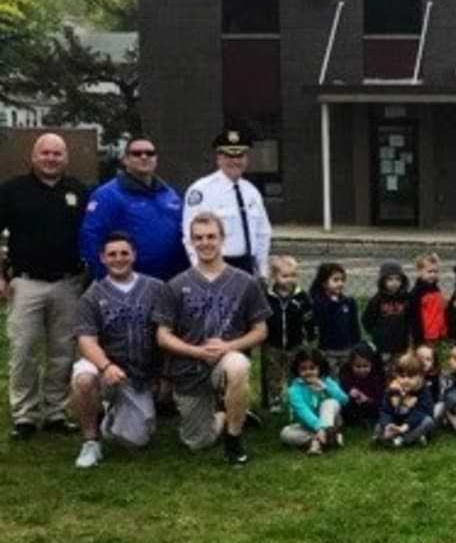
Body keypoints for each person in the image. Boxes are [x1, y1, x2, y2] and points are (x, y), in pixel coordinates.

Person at [155, 212, 269, 464]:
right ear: (191, 241)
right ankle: (225, 414)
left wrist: (229, 346)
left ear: (222, 239)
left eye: (211, 237)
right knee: (197, 442)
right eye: (199, 238)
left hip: (224, 359)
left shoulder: (245, 282)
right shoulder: (175, 285)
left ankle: (234, 439)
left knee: (238, 365)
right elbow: (163, 336)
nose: (205, 243)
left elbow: (261, 330)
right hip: (189, 367)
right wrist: (195, 351)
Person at [0, 133, 89, 438]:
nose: (51, 159)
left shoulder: (78, 191)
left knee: (63, 352)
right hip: (26, 284)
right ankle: (24, 414)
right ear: (34, 156)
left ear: (66, 158)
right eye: (46, 153)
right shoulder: (12, 190)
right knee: (23, 350)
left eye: (57, 154)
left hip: (68, 284)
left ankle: (55, 411)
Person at [70, 232, 168, 468]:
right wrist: (106, 366)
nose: (118, 258)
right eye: (112, 254)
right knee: (84, 379)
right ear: (102, 258)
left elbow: (167, 334)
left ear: (134, 255)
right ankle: (91, 442)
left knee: (135, 441)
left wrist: (165, 375)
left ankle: (110, 413)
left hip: (139, 377)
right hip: (105, 368)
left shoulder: (156, 288)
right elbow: (86, 341)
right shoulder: (92, 296)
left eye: (124, 253)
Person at [78, 135, 187, 282]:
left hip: (170, 281)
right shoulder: (107, 195)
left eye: (150, 153)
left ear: (156, 158)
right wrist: (107, 280)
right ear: (125, 160)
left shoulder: (169, 194)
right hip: (128, 283)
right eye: (136, 153)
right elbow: (90, 239)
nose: (144, 157)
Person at [181, 129, 271, 277]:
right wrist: (201, 272)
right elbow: (189, 235)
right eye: (229, 156)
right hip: (218, 267)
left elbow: (263, 234)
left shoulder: (251, 191)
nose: (235, 161)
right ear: (219, 158)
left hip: (248, 267)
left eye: (240, 156)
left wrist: (262, 271)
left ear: (247, 159)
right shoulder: (201, 190)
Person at [263, 255, 315, 414]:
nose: (289, 279)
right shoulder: (268, 297)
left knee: (295, 372)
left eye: (293, 275)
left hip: (296, 343)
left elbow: (309, 318)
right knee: (273, 373)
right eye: (284, 276)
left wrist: (311, 334)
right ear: (274, 277)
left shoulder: (301, 297)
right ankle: (275, 400)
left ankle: (296, 399)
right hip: (273, 343)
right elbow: (262, 319)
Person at [281, 348, 348, 456]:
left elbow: (344, 400)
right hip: (309, 425)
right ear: (297, 370)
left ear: (320, 368)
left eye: (312, 368)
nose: (308, 372)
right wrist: (319, 427)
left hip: (332, 423)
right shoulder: (294, 390)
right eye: (303, 369)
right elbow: (303, 412)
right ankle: (320, 440)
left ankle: (323, 437)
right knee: (285, 433)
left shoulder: (326, 381)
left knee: (330, 402)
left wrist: (326, 388)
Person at [374, 352, 435, 449]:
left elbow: (421, 412)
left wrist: (404, 428)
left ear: (420, 376)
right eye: (402, 376)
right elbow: (385, 411)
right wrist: (388, 425)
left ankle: (402, 440)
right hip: (396, 423)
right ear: (396, 376)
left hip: (412, 425)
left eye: (410, 377)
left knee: (428, 422)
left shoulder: (423, 391)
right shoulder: (391, 390)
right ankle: (389, 437)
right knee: (378, 426)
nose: (406, 380)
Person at [309, 262, 361, 375]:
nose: (340, 283)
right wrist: (332, 303)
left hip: (346, 349)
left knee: (345, 376)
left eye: (342, 280)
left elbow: (354, 325)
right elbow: (319, 322)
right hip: (327, 350)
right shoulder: (319, 303)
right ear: (324, 283)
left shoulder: (348, 302)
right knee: (330, 377)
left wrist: (356, 345)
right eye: (335, 280)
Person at [361, 261, 413, 361]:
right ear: (383, 281)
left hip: (401, 345)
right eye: (390, 279)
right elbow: (366, 320)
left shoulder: (406, 298)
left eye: (398, 279)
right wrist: (377, 333)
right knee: (383, 369)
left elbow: (410, 319)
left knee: (399, 368)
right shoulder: (377, 300)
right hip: (383, 345)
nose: (394, 283)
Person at [408, 252, 449, 350]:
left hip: (436, 333)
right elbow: (414, 317)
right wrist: (418, 337)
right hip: (424, 335)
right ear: (419, 272)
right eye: (430, 272)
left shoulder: (436, 289)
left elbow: (439, 311)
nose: (433, 275)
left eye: (436, 271)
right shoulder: (417, 293)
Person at [339, 342, 384, 428]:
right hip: (353, 406)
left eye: (365, 366)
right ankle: (356, 422)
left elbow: (380, 398)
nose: (362, 370)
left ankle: (369, 421)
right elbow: (342, 390)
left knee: (379, 409)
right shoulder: (347, 375)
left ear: (371, 364)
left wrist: (367, 399)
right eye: (358, 366)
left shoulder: (376, 377)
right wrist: (350, 391)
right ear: (351, 365)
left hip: (371, 406)